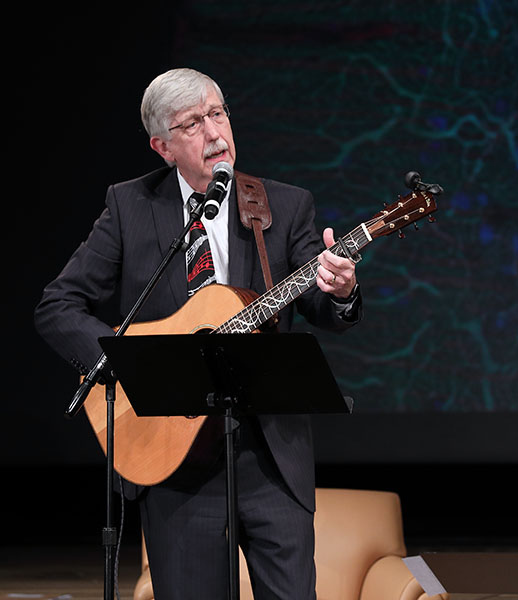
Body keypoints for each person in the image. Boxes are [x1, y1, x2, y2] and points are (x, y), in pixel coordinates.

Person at [34, 68, 362, 599]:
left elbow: (321, 306)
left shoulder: (282, 203)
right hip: (176, 464)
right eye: (192, 123)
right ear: (162, 146)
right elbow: (58, 306)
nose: (214, 133)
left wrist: (341, 289)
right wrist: (137, 367)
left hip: (270, 458)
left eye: (218, 113)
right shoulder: (130, 207)